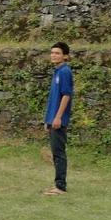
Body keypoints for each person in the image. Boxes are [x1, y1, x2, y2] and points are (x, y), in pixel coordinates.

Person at [43, 41, 74, 195]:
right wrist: (47, 119)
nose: (54, 55)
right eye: (52, 52)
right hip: (52, 119)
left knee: (59, 153)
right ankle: (58, 184)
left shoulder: (65, 72)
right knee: (55, 152)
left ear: (65, 56)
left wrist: (58, 118)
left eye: (57, 53)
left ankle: (60, 186)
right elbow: (53, 98)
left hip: (58, 120)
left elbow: (66, 95)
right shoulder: (57, 71)